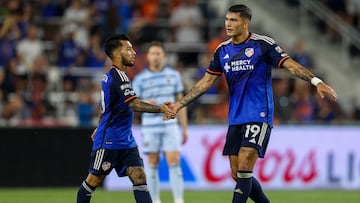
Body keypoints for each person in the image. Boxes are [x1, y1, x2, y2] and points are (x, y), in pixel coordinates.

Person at [165, 4, 337, 203]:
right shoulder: (222, 50)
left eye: (234, 20)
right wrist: (180, 104)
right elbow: (206, 82)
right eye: (227, 19)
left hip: (259, 113)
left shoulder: (262, 44)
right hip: (236, 117)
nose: (228, 24)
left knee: (246, 163)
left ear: (245, 23)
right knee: (238, 174)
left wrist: (316, 81)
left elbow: (289, 64)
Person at [76, 34, 176, 203]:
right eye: (128, 49)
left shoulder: (113, 76)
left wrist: (100, 125)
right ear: (116, 53)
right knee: (93, 181)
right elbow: (134, 104)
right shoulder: (118, 77)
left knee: (139, 175)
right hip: (109, 140)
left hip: (126, 140)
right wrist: (160, 108)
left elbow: (105, 107)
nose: (134, 52)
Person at [132, 41, 188, 203]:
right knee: (152, 162)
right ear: (147, 57)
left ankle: (178, 200)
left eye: (158, 53)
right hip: (150, 127)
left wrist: (184, 128)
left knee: (174, 160)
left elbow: (181, 103)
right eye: (153, 53)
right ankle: (155, 200)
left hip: (170, 126)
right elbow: (134, 104)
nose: (156, 56)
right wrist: (145, 103)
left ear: (164, 56)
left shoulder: (174, 76)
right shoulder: (141, 79)